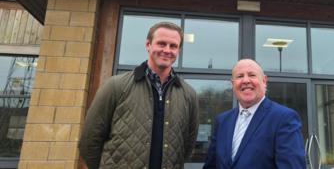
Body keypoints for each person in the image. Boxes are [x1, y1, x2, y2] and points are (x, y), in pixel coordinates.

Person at [79, 22, 199, 169]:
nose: (167, 50)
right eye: (161, 44)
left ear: (178, 51)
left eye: (173, 46)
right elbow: (89, 141)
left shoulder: (189, 94)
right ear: (148, 45)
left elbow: (187, 146)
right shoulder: (116, 86)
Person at [203, 59, 306, 169]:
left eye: (252, 75)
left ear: (264, 81)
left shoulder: (284, 118)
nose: (246, 80)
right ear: (232, 84)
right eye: (239, 76)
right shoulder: (222, 121)